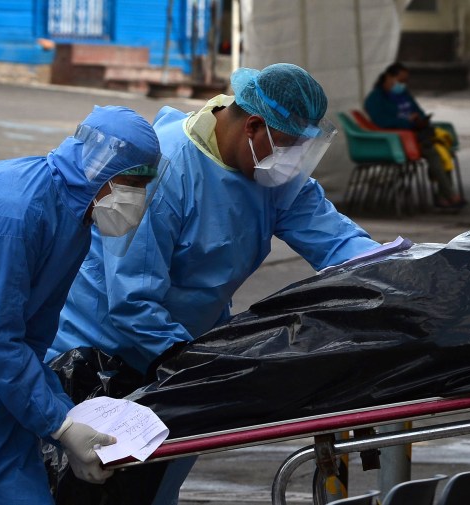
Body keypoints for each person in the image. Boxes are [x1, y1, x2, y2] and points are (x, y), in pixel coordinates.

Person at [46, 63, 380, 504]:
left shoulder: (272, 175)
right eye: (289, 147)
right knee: (82, 487)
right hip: (98, 354)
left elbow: (337, 240)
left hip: (182, 353)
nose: (293, 162)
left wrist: (398, 270)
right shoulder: (165, 171)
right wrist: (198, 368)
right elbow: (131, 300)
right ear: (254, 127)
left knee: (156, 486)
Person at [0, 105, 166, 504]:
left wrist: (60, 417)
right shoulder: (15, 212)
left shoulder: (72, 218)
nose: (137, 198)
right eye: (131, 183)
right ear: (100, 169)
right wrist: (61, 425)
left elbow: (31, 335)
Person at [364, 62, 463, 209]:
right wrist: (405, 122)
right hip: (398, 139)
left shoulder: (404, 94)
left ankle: (445, 195)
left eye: (405, 82)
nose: (402, 85)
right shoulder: (375, 98)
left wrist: (420, 119)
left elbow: (419, 111)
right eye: (400, 81)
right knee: (433, 152)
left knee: (442, 151)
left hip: (416, 134)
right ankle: (449, 195)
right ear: (388, 77)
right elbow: (382, 122)